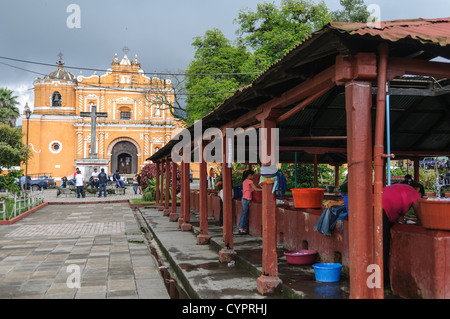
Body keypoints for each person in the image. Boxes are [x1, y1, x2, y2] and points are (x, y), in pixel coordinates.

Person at [382, 181, 424, 289]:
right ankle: (382, 283)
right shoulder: (415, 194)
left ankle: (375, 280)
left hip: (374, 203)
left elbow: (399, 215)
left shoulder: (402, 189)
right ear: (419, 191)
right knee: (382, 247)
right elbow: (419, 213)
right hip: (381, 209)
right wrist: (422, 221)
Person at [237, 170, 262, 235]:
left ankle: (242, 228)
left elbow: (251, 189)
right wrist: (264, 189)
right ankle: (241, 229)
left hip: (244, 198)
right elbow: (256, 189)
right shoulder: (250, 181)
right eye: (252, 175)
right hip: (246, 199)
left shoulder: (245, 181)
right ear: (249, 175)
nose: (253, 176)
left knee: (244, 213)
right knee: (244, 214)